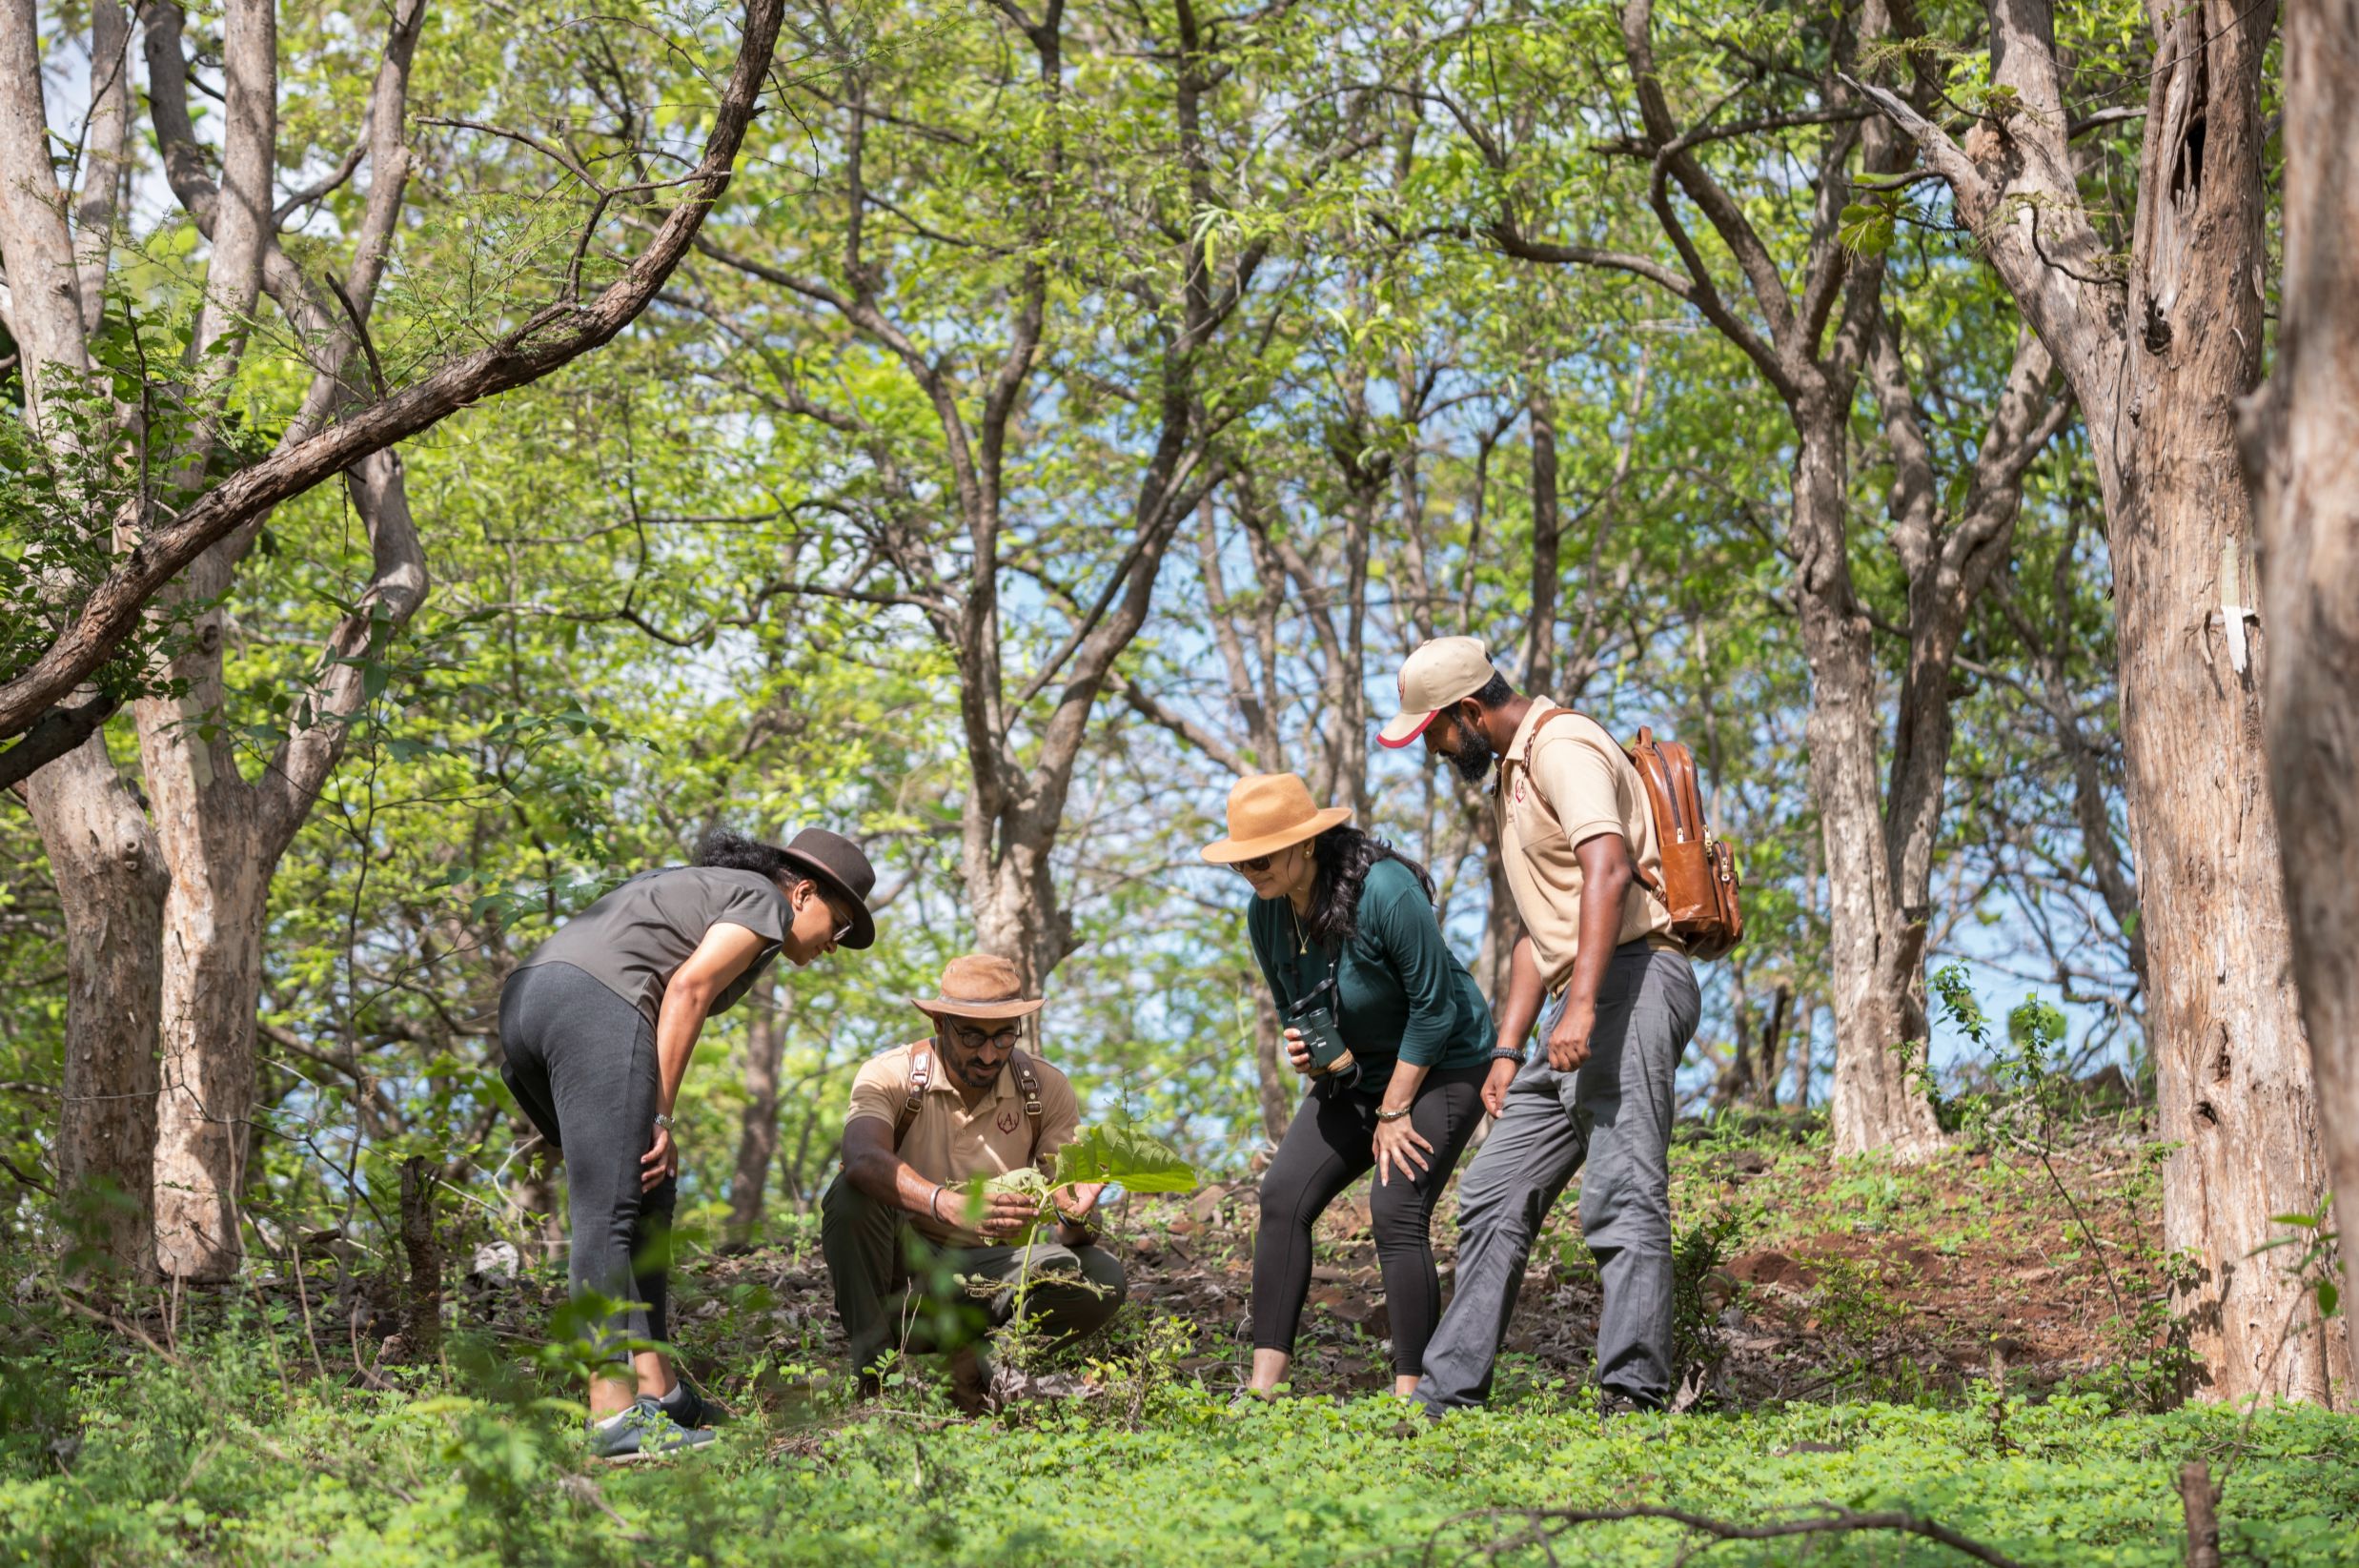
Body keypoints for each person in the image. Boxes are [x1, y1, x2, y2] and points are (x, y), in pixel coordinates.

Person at [1378, 637, 1700, 1415]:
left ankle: (1632, 1393)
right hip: (1579, 990)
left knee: (1621, 1192)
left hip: (1631, 977)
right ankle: (1447, 1395)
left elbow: (1608, 869)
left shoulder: (1563, 745)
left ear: (1467, 711)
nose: (1430, 751)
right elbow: (1539, 929)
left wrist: (1583, 1005)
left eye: (1431, 734)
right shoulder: (1510, 776)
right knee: (1493, 1189)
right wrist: (1506, 1047)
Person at [499, 825, 878, 1459]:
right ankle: (611, 1414)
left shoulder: (701, 886)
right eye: (837, 927)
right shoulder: (762, 899)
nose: (834, 946)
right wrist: (662, 1116)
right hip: (593, 1003)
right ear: (805, 893)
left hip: (526, 1005)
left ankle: (660, 1388)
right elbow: (689, 988)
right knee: (613, 1207)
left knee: (646, 1186)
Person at [1199, 773, 1518, 1399]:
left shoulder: (1386, 891)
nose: (1250, 870)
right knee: (1281, 1196)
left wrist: (1395, 1109)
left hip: (1445, 1059)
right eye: (1241, 860)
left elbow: (1435, 1009)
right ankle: (1263, 1390)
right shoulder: (1265, 913)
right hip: (1359, 1071)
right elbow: (1295, 1009)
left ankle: (1414, 1395)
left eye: (1261, 857)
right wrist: (1310, 1054)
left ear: (1306, 844)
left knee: (1394, 1204)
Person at [822, 953, 1124, 1412]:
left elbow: (1076, 1229)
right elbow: (860, 1157)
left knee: (1101, 1275)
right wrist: (943, 1204)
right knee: (849, 1197)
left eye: (1004, 1036)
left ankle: (988, 1367)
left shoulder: (1044, 1088)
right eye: (972, 1036)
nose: (988, 1054)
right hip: (903, 1275)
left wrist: (1074, 1215)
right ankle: (875, 1377)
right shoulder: (892, 1075)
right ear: (941, 1024)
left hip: (990, 1273)